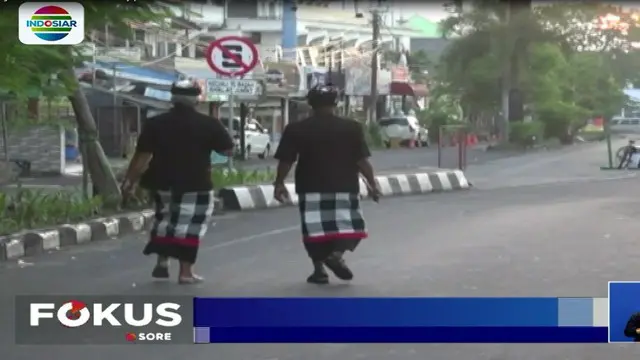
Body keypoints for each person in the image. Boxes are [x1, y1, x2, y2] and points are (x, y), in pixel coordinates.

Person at [120, 79, 234, 284]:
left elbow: (141, 156)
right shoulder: (208, 124)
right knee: (190, 226)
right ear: (197, 100)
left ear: (172, 99)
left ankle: (162, 262)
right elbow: (226, 150)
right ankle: (185, 272)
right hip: (195, 183)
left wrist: (130, 180)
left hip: (160, 181)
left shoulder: (156, 123)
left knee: (164, 220)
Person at [272, 84, 381, 284]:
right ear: (336, 103)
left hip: (310, 186)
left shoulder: (296, 129)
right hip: (345, 186)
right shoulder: (352, 128)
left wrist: (278, 184)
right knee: (349, 225)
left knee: (314, 229)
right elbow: (362, 160)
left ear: (310, 104)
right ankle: (336, 254)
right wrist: (373, 184)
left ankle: (319, 270)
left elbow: (286, 160)